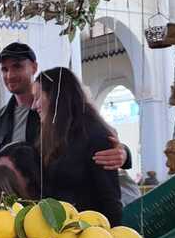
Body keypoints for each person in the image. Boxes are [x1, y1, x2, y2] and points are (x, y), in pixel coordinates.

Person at [0, 43, 129, 171]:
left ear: (34, 67)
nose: (10, 75)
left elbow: (97, 135)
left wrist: (124, 153)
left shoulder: (56, 109)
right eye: (5, 69)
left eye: (17, 66)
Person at [32, 67, 122, 225]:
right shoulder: (55, 136)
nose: (34, 105)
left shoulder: (95, 135)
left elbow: (110, 200)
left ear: (56, 97)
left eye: (38, 97)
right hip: (65, 232)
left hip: (91, 233)